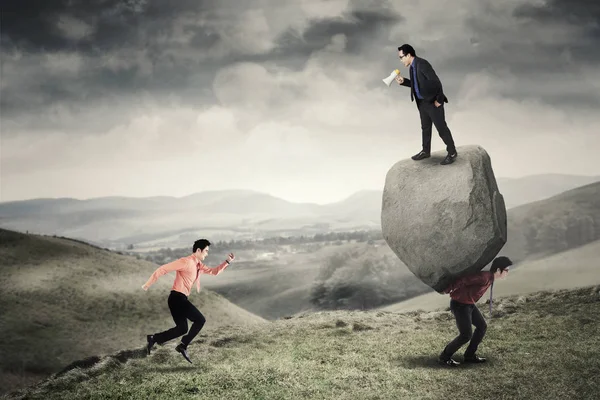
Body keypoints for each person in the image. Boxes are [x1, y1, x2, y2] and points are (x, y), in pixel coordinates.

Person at [142, 238, 235, 363]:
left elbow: (214, 272)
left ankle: (154, 338)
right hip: (177, 298)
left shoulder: (198, 265)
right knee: (200, 320)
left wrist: (227, 262)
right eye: (206, 251)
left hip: (179, 298)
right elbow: (163, 269)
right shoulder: (185, 262)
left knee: (182, 329)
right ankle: (183, 346)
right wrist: (147, 284)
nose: (207, 254)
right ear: (198, 250)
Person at [438, 256, 513, 367]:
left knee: (482, 326)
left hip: (468, 304)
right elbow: (465, 280)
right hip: (460, 305)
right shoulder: (484, 277)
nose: (507, 272)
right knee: (466, 335)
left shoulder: (490, 278)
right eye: (506, 270)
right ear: (498, 270)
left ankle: (469, 355)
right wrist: (449, 288)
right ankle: (444, 357)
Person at [395, 44, 458, 165]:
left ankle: (452, 152)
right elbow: (418, 85)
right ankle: (425, 150)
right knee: (425, 127)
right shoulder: (412, 67)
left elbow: (436, 82)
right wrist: (404, 82)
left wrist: (439, 100)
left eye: (401, 57)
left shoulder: (422, 64)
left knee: (441, 128)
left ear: (408, 55)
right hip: (422, 103)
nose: (401, 60)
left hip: (433, 103)